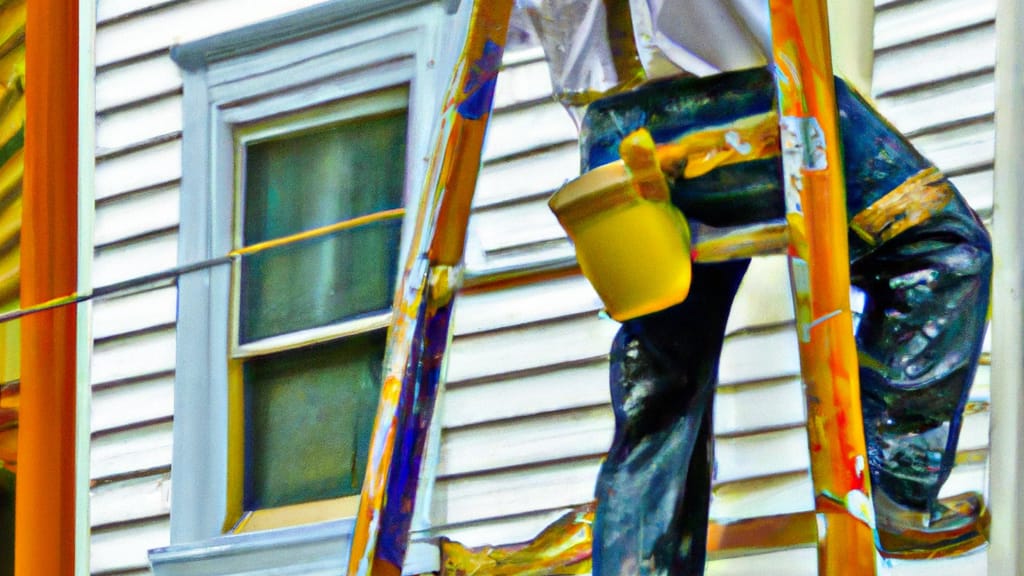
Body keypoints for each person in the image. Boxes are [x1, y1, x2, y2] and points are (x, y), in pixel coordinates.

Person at [527, 1, 993, 573]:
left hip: (611, 145)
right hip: (748, 113)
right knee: (944, 248)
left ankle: (636, 565)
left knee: (664, 381)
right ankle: (898, 489)